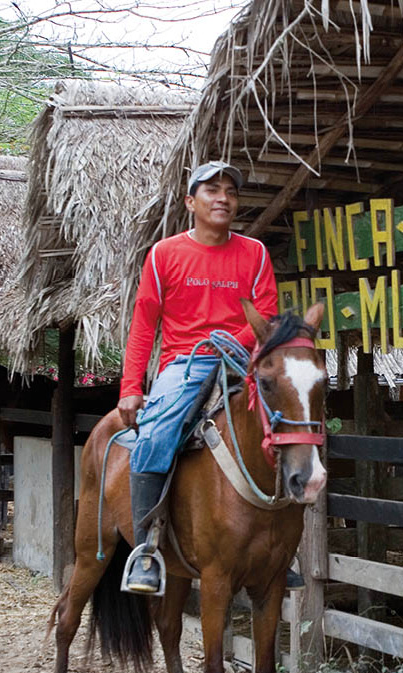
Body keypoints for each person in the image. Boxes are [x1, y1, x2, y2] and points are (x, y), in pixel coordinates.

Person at [117, 160, 281, 595]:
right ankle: (147, 550)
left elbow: (265, 314)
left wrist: (230, 343)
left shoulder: (255, 254)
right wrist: (131, 388)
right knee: (153, 437)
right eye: (211, 190)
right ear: (191, 202)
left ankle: (283, 546)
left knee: (288, 426)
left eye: (230, 190)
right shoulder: (165, 254)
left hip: (241, 361)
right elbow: (143, 325)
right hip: (184, 365)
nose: (222, 197)